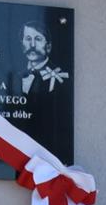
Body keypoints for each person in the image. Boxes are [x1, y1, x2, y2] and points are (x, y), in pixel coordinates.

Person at [8, 20, 73, 163]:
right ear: (22, 44)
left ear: (48, 46)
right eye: (28, 39)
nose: (32, 45)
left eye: (38, 39)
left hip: (48, 156)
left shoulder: (61, 79)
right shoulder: (16, 78)